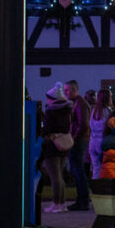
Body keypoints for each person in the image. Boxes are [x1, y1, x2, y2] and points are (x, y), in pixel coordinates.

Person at [41, 83, 73, 214]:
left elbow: (47, 129)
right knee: (60, 175)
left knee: (55, 177)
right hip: (64, 145)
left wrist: (44, 133)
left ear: (52, 98)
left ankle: (56, 204)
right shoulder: (67, 110)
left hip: (52, 146)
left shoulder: (51, 111)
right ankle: (62, 203)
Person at [65, 80, 91, 211]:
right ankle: (81, 200)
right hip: (78, 140)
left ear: (74, 90)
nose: (65, 93)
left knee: (79, 171)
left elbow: (83, 124)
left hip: (79, 141)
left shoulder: (80, 104)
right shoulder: (77, 103)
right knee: (77, 171)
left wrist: (73, 139)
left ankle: (83, 201)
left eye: (67, 90)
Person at [89, 88, 113, 179]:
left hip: (93, 142)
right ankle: (101, 188)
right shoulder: (107, 111)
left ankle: (94, 188)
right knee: (103, 169)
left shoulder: (94, 111)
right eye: (110, 96)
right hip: (102, 143)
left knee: (95, 169)